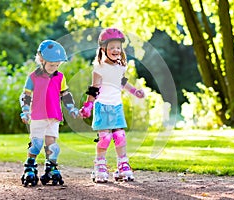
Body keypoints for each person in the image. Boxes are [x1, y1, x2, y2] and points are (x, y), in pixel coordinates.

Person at [80, 28, 145, 183]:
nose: (116, 50)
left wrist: (134, 91)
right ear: (104, 49)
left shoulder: (120, 67)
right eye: (112, 47)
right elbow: (94, 89)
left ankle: (123, 164)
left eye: (118, 47)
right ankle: (100, 165)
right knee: (105, 138)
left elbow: (122, 82)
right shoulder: (99, 68)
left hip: (116, 106)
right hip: (102, 106)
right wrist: (89, 105)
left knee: (120, 136)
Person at [19, 40, 79, 186]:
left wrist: (71, 108)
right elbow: (25, 95)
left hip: (54, 116)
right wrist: (25, 111)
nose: (55, 67)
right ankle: (30, 166)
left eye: (57, 65)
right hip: (38, 116)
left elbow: (65, 94)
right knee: (36, 144)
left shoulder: (60, 77)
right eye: (52, 64)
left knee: (52, 145)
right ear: (41, 59)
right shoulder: (33, 77)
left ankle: (50, 167)